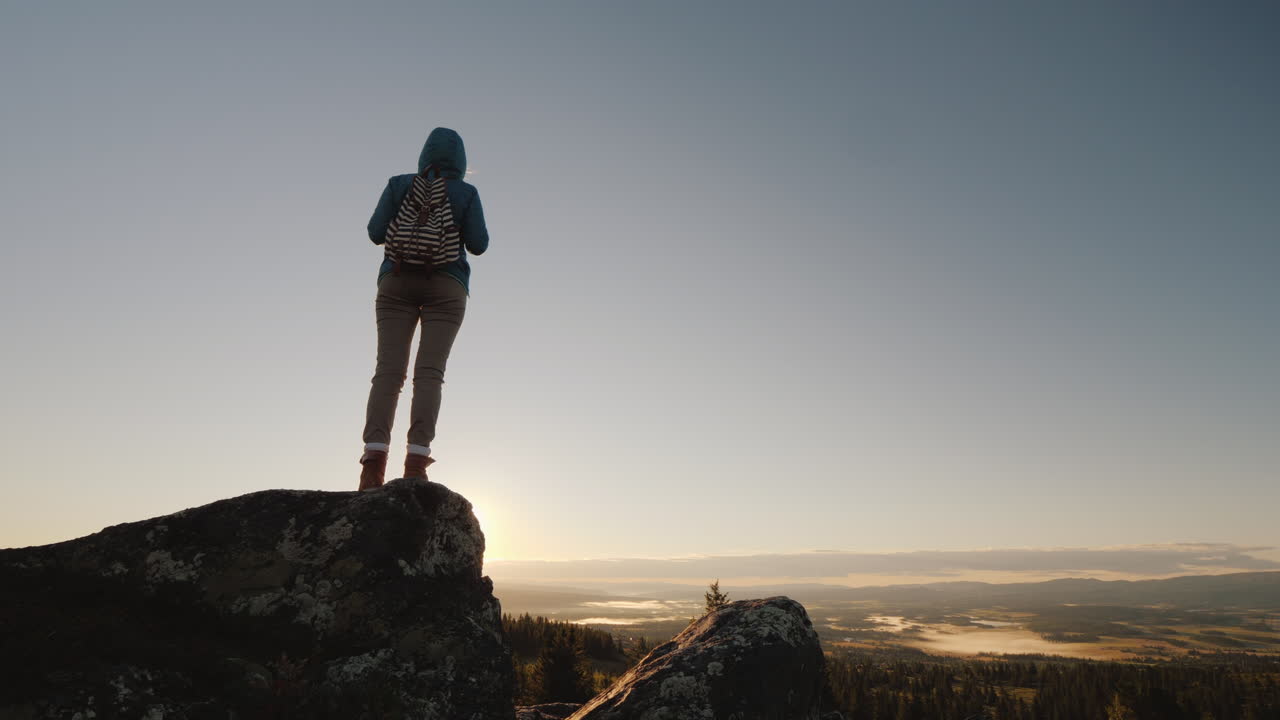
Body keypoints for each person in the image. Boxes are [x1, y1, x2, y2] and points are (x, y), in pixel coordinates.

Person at [358, 127, 489, 490]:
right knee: (429, 374)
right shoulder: (466, 192)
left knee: (388, 372)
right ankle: (416, 463)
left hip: (395, 283)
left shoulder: (399, 184)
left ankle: (372, 463)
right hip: (447, 287)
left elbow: (375, 232)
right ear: (461, 162)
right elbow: (479, 244)